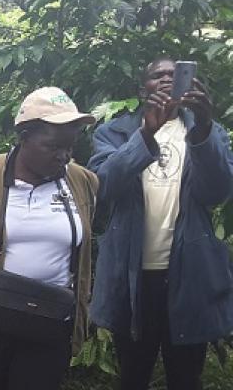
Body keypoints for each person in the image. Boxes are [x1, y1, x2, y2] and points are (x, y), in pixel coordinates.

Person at [88, 58, 233, 390]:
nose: (168, 79)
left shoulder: (208, 130)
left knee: (185, 377)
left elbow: (218, 192)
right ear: (143, 89)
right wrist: (146, 134)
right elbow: (104, 186)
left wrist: (206, 128)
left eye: (174, 73)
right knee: (133, 375)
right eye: (158, 75)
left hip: (189, 274)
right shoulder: (114, 131)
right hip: (133, 276)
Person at [0, 87, 97, 390]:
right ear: (23, 137)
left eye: (70, 146)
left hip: (50, 322)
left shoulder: (81, 182)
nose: (63, 156)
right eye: (52, 146)